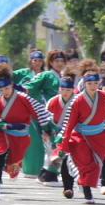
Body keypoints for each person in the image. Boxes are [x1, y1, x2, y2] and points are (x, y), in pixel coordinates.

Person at [0, 64, 52, 201]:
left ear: (12, 85)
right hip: (2, 133)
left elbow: (39, 112)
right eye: (2, 89)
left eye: (7, 88)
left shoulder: (24, 98)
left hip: (20, 135)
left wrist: (47, 129)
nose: (5, 91)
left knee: (12, 164)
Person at [58, 60, 105, 204]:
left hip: (99, 136)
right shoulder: (77, 100)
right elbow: (70, 122)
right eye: (89, 84)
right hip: (81, 136)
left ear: (99, 83)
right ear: (84, 83)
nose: (93, 86)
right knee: (86, 164)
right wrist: (64, 141)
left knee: (96, 164)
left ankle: (84, 185)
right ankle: (88, 193)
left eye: (95, 83)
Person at [17, 49, 67, 181]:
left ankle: (48, 172)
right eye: (56, 61)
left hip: (62, 113)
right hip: (48, 113)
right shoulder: (46, 75)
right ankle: (47, 173)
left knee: (57, 143)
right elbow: (29, 88)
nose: (59, 63)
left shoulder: (65, 76)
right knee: (51, 143)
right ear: (50, 62)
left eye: (62, 61)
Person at [46, 69, 78, 197]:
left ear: (73, 90)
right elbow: (45, 118)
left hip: (74, 134)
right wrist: (47, 132)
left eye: (69, 90)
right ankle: (68, 187)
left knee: (71, 159)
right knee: (64, 159)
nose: (65, 93)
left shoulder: (77, 101)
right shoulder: (53, 101)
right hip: (58, 135)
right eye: (63, 90)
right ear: (59, 89)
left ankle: (76, 183)